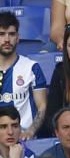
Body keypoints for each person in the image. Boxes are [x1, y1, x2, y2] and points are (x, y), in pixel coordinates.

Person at [0, 11, 48, 140]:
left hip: (25, 140)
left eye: (11, 34)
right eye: (2, 34)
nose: (6, 39)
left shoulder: (31, 68)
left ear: (18, 37)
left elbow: (42, 106)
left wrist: (31, 131)